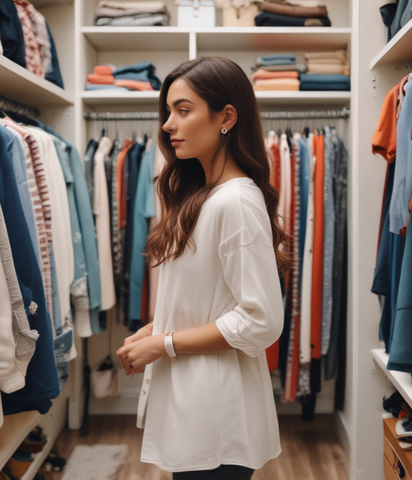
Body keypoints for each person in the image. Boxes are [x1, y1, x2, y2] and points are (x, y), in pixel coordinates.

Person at [116, 56, 289, 479]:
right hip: (197, 405)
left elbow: (262, 320)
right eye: (168, 111)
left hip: (216, 414)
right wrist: (158, 327)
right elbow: (211, 297)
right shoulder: (207, 196)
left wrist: (164, 343)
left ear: (226, 117)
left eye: (183, 110)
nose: (167, 125)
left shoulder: (236, 202)